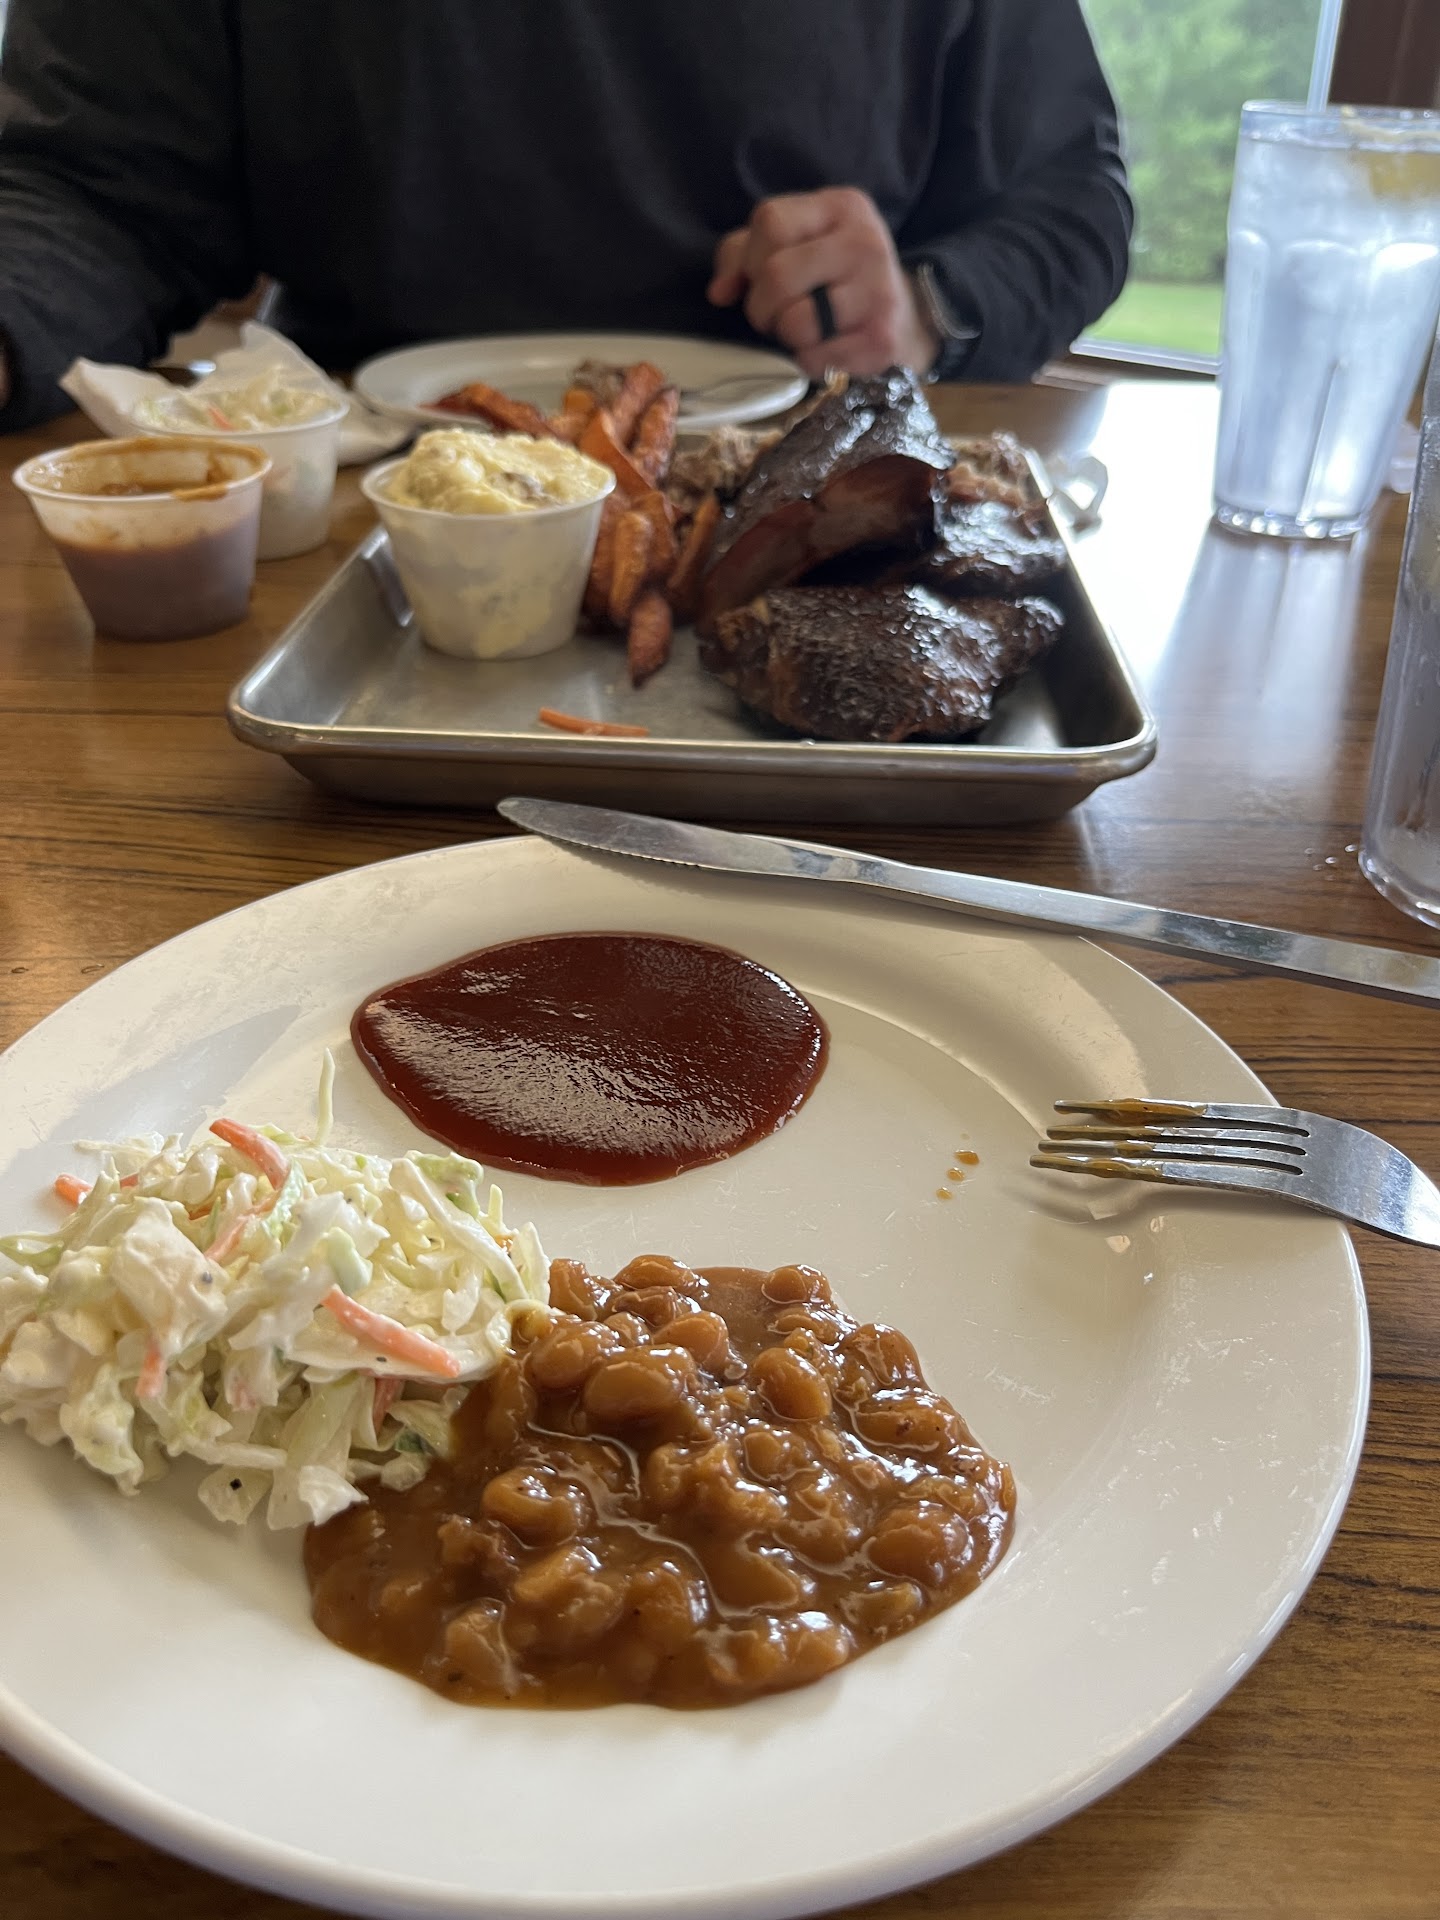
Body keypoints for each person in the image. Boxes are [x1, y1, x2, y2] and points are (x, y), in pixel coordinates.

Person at [0, 0, 1131, 432]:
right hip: (356, 493)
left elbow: (1070, 194)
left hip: (810, 478)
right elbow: (92, 189)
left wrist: (931, 308)